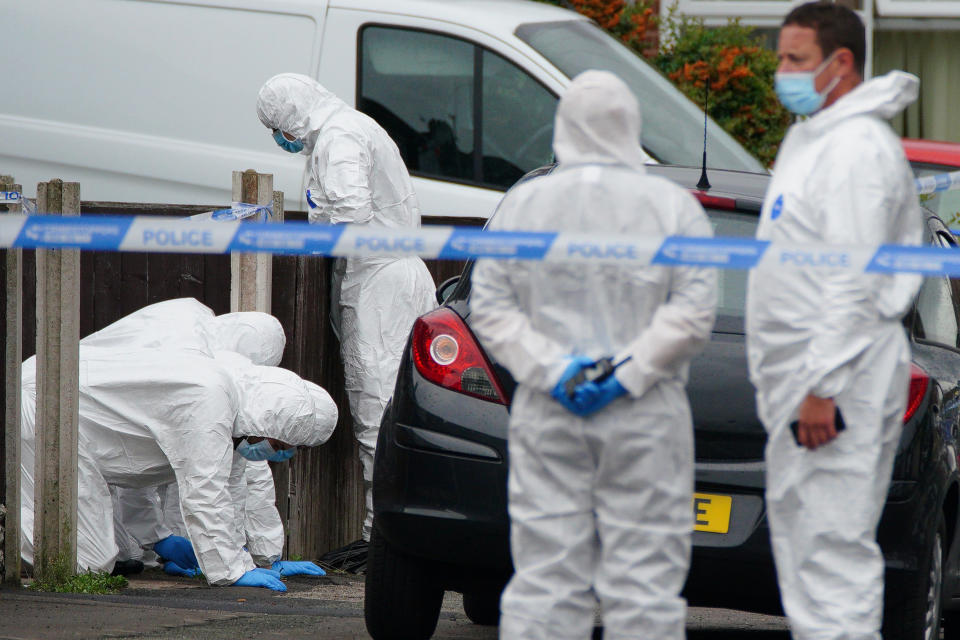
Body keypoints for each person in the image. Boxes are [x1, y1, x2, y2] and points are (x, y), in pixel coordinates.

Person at [469, 70, 717, 640]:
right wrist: (624, 374)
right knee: (646, 579)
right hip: (644, 414)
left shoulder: (525, 205)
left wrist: (557, 373)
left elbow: (491, 307)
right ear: (632, 124)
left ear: (563, 126)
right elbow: (694, 309)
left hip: (550, 410)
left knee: (547, 576)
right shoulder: (672, 208)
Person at [745, 4, 922, 638]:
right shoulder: (815, 142)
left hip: (838, 384)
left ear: (839, 63)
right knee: (808, 554)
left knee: (832, 555)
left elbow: (854, 282)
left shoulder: (856, 152)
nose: (782, 72)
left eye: (795, 59)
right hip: (810, 381)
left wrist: (821, 383)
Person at [256, 73, 437, 561]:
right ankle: (399, 528)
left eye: (276, 126)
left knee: (377, 404)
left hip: (380, 285)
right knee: (399, 403)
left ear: (290, 115)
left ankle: (386, 536)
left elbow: (350, 216)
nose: (279, 137)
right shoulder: (353, 128)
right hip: (392, 276)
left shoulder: (338, 139)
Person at [20, 349, 338, 591]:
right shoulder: (210, 403)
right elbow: (205, 491)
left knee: (92, 560)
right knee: (86, 564)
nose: (280, 454)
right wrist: (232, 568)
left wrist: (159, 539)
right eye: (281, 445)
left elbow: (137, 470)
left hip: (78, 426)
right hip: (49, 402)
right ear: (269, 423)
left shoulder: (235, 416)